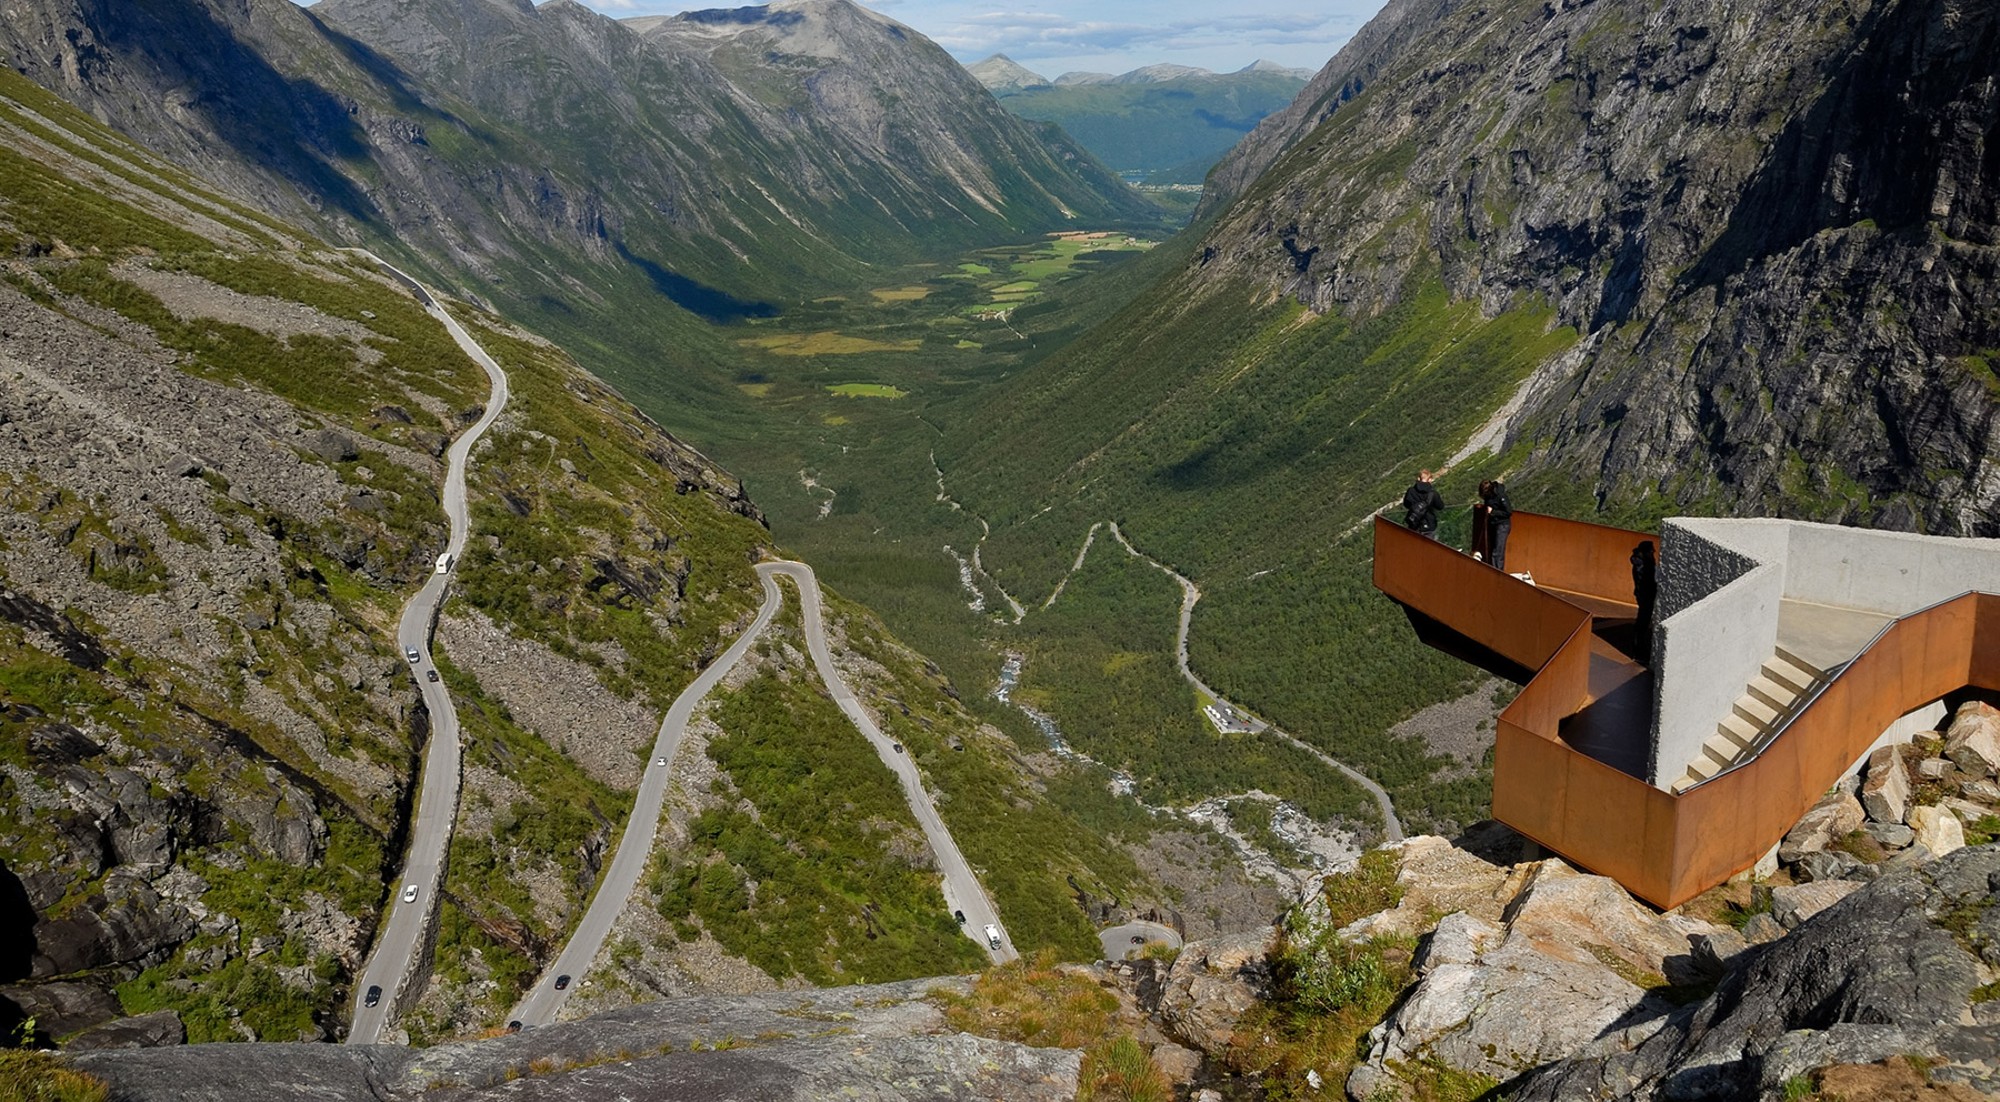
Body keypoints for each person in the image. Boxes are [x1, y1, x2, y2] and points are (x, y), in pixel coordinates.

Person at [1478, 479, 1513, 571]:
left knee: (1498, 551)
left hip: (1502, 525)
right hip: (1493, 524)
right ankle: (1494, 570)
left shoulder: (1501, 495)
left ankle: (1497, 572)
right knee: (1492, 548)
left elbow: (1508, 512)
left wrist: (1493, 512)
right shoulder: (1488, 496)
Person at [1631, 542, 1657, 660]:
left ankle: (1639, 647)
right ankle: (1638, 650)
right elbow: (1646, 580)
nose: (1653, 552)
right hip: (1645, 595)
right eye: (1651, 550)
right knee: (1643, 620)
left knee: (1643, 619)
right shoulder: (1642, 564)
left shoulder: (1642, 561)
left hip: (1644, 595)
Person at [1402, 469, 1444, 539]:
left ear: (1418, 478)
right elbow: (1440, 506)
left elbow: (1406, 504)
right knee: (1428, 547)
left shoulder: (1411, 491)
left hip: (1414, 523)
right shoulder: (1433, 494)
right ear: (1430, 479)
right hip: (1429, 525)